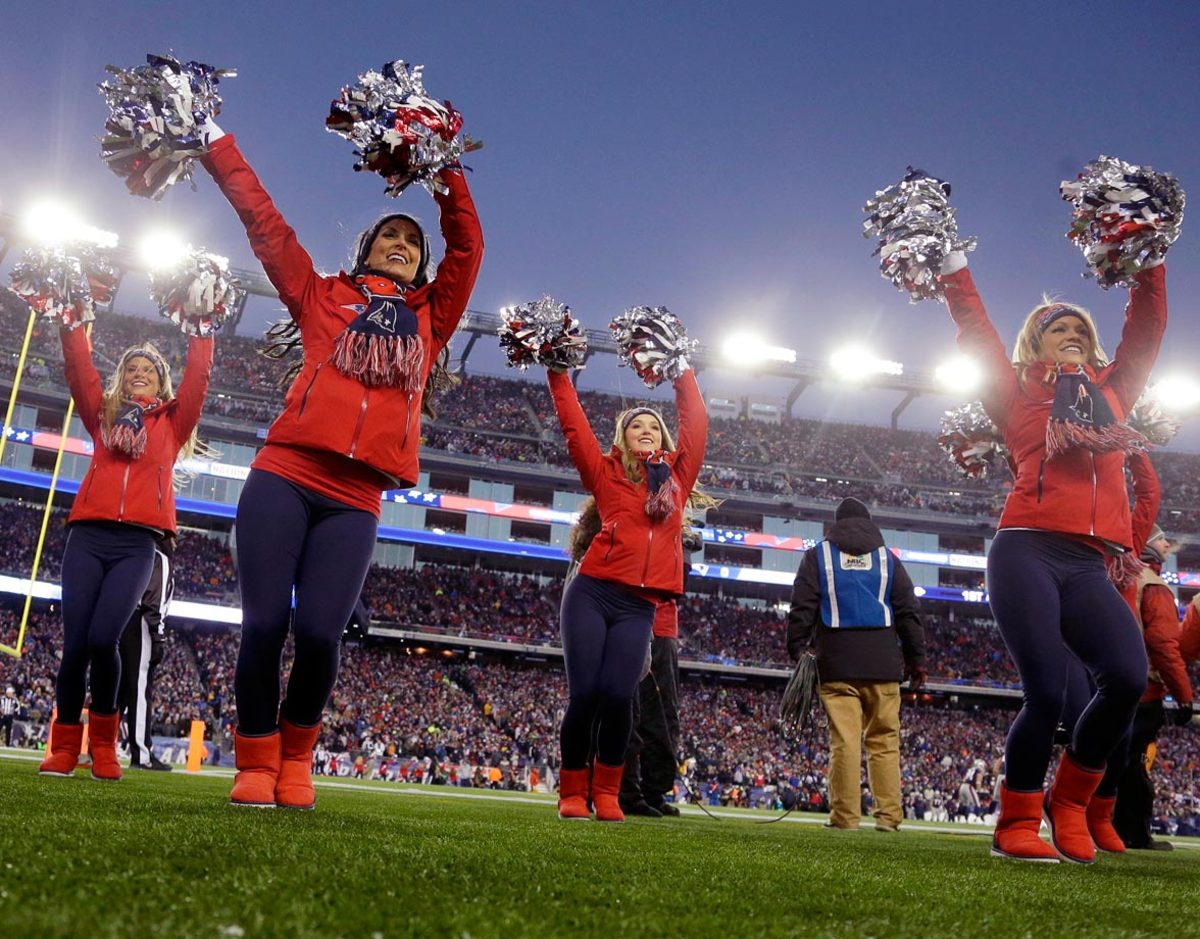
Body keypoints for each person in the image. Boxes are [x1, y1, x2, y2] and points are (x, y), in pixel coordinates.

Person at [199, 116, 483, 809]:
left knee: (321, 633)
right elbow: (262, 220)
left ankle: (297, 757)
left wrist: (442, 164)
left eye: (413, 242)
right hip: (286, 475)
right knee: (264, 624)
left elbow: (468, 247)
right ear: (366, 249)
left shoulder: (430, 317)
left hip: (356, 497)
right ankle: (257, 758)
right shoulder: (320, 293)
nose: (403, 245)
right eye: (391, 234)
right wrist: (213, 139)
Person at [938, 248, 1167, 863]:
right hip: (1027, 552)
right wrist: (952, 264)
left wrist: (1149, 258)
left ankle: (1068, 802)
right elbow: (975, 328)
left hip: (1090, 563)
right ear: (1034, 347)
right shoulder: (1014, 394)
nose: (1070, 336)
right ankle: (1014, 823)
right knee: (1043, 691)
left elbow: (1147, 330)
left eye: (1080, 331)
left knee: (1125, 677)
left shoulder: (1115, 395)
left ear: (1093, 350)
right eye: (1056, 330)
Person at [38, 332, 214, 781]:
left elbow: (199, 377)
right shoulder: (102, 414)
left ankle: (102, 746)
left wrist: (200, 329)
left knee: (104, 641)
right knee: (75, 646)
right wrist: (74, 321)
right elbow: (79, 369)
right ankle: (63, 747)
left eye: (149, 372)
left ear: (161, 385)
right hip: (88, 537)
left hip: (136, 544)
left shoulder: (174, 423)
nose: (139, 375)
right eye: (131, 370)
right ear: (121, 379)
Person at [547, 360, 708, 822]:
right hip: (593, 594)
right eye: (635, 424)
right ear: (622, 438)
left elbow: (696, 421)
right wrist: (558, 374)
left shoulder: (677, 482)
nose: (645, 429)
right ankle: (573, 791)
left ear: (663, 439)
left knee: (619, 697)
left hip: (639, 605)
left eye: (652, 426)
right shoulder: (606, 475)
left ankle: (610, 791)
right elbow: (573, 425)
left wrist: (681, 370)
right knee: (587, 695)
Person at [786, 496, 926, 831]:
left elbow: (802, 606)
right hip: (883, 664)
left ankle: (845, 818)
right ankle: (889, 818)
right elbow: (908, 612)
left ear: (835, 524)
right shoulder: (888, 559)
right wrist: (916, 660)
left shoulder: (817, 556)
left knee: (845, 742)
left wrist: (796, 649)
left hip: (836, 663)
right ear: (868, 522)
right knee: (884, 743)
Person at [118, 533, 175, 771]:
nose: (176, 542)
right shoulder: (159, 557)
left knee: (119, 690)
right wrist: (158, 634)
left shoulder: (136, 551)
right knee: (140, 689)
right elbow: (155, 599)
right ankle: (141, 753)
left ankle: (99, 746)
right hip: (140, 623)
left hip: (122, 619)